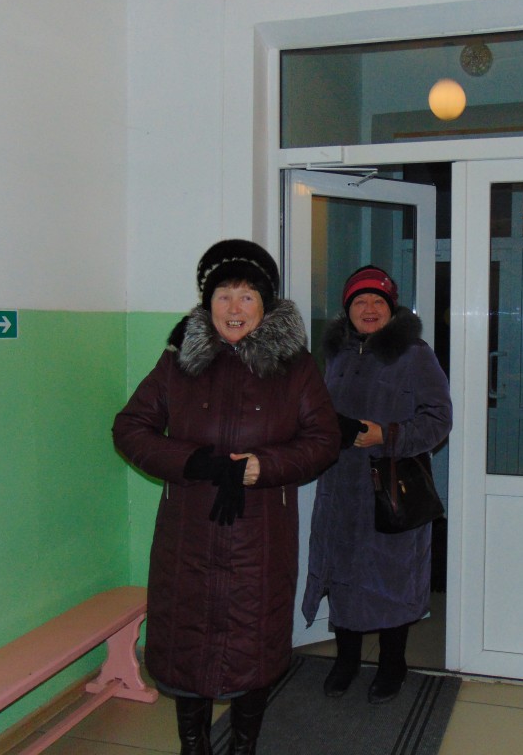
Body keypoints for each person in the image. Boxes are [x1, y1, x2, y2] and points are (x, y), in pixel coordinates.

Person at [113, 240, 340, 755]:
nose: (234, 309)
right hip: (188, 532)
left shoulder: (295, 367)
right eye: (223, 296)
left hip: (261, 535)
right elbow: (130, 428)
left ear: (265, 305)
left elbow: (324, 440)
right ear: (207, 302)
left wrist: (265, 466)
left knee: (252, 645)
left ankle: (243, 746)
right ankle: (192, 745)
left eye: (247, 297)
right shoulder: (178, 363)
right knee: (186, 642)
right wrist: (190, 461)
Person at [302, 265, 452, 704]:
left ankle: (392, 664)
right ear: (347, 309)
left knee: (392, 578)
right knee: (343, 574)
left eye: (378, 301)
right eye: (360, 301)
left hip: (391, 487)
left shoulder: (415, 354)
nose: (369, 309)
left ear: (391, 308)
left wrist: (387, 436)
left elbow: (439, 419)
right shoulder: (336, 354)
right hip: (340, 487)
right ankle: (346, 660)